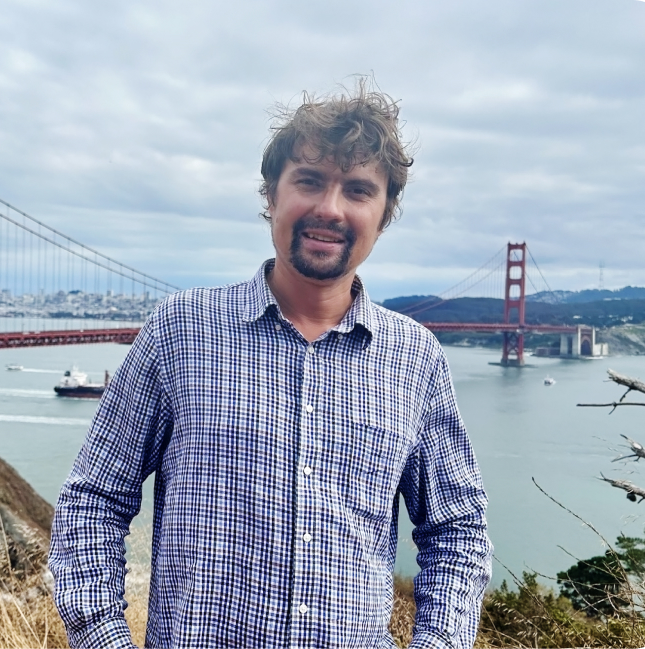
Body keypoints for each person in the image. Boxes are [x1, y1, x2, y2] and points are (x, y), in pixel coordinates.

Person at [49, 80, 493, 649]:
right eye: (309, 181)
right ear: (271, 194)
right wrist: (103, 638)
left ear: (384, 215)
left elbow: (457, 528)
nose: (330, 209)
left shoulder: (417, 359)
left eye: (358, 190)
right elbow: (93, 500)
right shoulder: (180, 330)